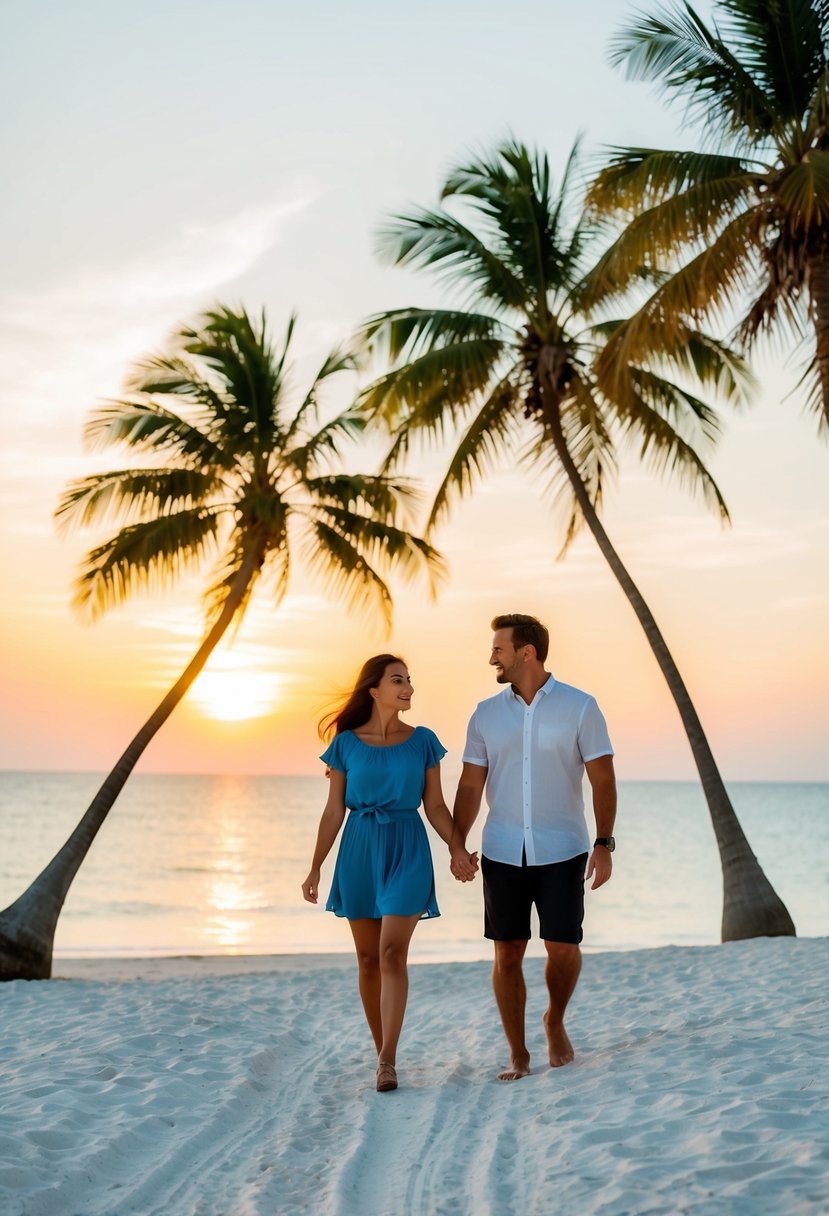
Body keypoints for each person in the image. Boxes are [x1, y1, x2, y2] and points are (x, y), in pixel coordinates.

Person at [450, 613, 616, 1082]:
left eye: (498, 649)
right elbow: (469, 784)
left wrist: (604, 844)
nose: (491, 658)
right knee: (508, 953)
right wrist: (457, 842)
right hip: (502, 849)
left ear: (527, 652)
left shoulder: (580, 707)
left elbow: (603, 778)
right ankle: (518, 1051)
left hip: (564, 848)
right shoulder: (485, 714)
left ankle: (554, 1020)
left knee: (563, 948)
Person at [302, 654, 478, 1093]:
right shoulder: (345, 744)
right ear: (374, 690)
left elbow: (435, 805)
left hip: (407, 846)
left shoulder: (423, 741)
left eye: (410, 681)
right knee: (367, 960)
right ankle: (384, 1054)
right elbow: (332, 811)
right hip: (359, 848)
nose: (409, 688)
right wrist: (315, 866)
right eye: (398, 680)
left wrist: (457, 848)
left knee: (392, 953)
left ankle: (386, 1060)